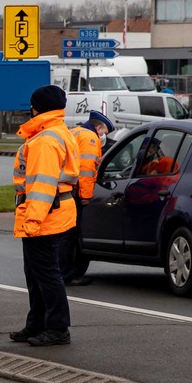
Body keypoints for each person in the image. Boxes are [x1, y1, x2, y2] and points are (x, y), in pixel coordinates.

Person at [10, 84, 81, 347]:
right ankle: (37, 323)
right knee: (37, 273)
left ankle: (57, 328)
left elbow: (42, 185)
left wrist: (32, 220)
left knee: (47, 274)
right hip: (53, 213)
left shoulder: (45, 141)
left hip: (44, 216)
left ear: (36, 108)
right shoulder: (58, 133)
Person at [62, 110, 113, 286]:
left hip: (63, 189)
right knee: (70, 235)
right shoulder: (90, 138)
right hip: (75, 192)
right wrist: (85, 196)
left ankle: (62, 271)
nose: (103, 136)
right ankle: (67, 274)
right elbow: (86, 170)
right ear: (98, 127)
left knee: (62, 235)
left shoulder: (75, 131)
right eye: (104, 132)